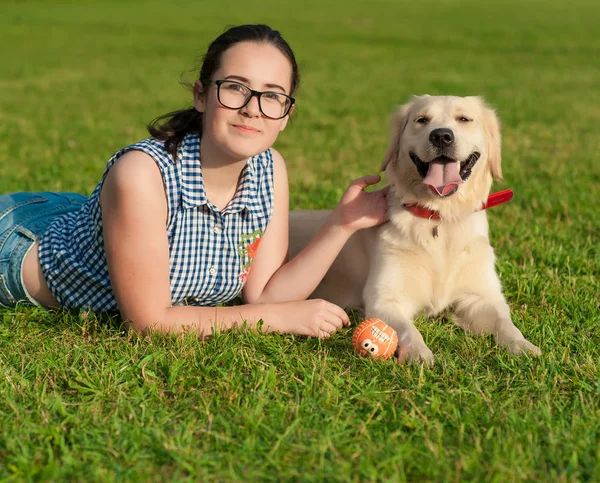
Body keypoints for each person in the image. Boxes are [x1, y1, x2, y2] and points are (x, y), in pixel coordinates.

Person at [0, 24, 388, 339]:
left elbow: (265, 295)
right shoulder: (142, 174)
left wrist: (342, 224)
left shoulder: (270, 168)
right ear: (202, 95)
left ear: (286, 113)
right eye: (235, 87)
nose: (253, 109)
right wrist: (280, 319)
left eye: (272, 96)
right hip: (17, 245)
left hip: (86, 216)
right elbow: (148, 322)